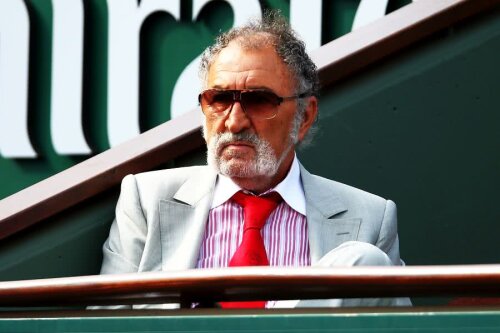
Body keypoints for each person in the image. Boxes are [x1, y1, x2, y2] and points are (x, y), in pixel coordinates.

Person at [97, 12, 410, 308]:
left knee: (361, 262)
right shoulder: (147, 200)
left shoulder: (369, 218)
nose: (234, 122)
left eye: (259, 101)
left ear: (304, 116)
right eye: (219, 99)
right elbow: (103, 324)